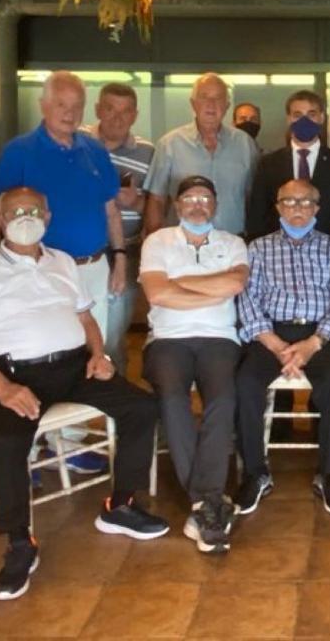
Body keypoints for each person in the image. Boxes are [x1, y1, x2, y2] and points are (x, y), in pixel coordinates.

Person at [0, 187, 168, 600]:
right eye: (15, 211)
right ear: (0, 221)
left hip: (74, 366)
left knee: (142, 408)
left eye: (34, 210)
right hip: (15, 373)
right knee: (8, 443)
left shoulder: (62, 262)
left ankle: (121, 505)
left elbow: (85, 317)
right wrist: (2, 388)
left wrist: (98, 354)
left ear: (47, 216)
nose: (25, 216)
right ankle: (20, 542)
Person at [0, 70, 126, 475]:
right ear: (44, 106)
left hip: (90, 267)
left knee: (87, 355)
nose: (69, 114)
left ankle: (68, 441)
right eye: (60, 105)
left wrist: (120, 256)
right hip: (32, 271)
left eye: (75, 107)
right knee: (34, 355)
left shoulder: (93, 150)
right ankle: (27, 450)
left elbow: (110, 208)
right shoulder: (21, 151)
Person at [139, 176, 249, 553]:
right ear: (177, 203)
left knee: (223, 399)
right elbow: (156, 292)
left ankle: (203, 502)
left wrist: (181, 285)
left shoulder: (233, 243)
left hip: (220, 339)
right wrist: (210, 288)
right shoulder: (158, 241)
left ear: (215, 205)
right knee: (172, 400)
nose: (198, 205)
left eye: (205, 198)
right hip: (168, 341)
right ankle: (208, 501)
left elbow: (236, 285)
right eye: (190, 198)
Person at [234, 179, 330, 516]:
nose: (297, 209)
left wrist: (312, 344)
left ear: (317, 209)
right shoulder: (258, 248)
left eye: (305, 203)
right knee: (245, 383)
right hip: (270, 334)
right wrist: (274, 343)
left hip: (320, 336)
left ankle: (329, 474)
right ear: (277, 207)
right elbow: (247, 298)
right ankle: (256, 473)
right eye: (289, 202)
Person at [82, 82, 155, 374]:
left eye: (125, 111)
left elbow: (157, 205)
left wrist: (135, 202)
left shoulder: (147, 152)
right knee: (72, 332)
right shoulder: (78, 142)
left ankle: (118, 407)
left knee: (112, 336)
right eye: (110, 109)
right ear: (98, 109)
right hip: (80, 250)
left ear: (135, 115)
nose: (117, 117)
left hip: (126, 249)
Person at [145, 72, 260, 236]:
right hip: (182, 248)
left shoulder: (245, 144)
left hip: (232, 246)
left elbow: (253, 199)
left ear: (227, 105)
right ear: (193, 104)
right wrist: (154, 245)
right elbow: (156, 200)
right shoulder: (169, 144)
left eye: (218, 98)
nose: (211, 104)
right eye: (204, 97)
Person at [247, 90, 330, 241]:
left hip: (324, 253)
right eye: (297, 115)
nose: (304, 121)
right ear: (288, 119)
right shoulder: (269, 163)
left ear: (322, 118)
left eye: (311, 114)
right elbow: (258, 214)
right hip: (278, 253)